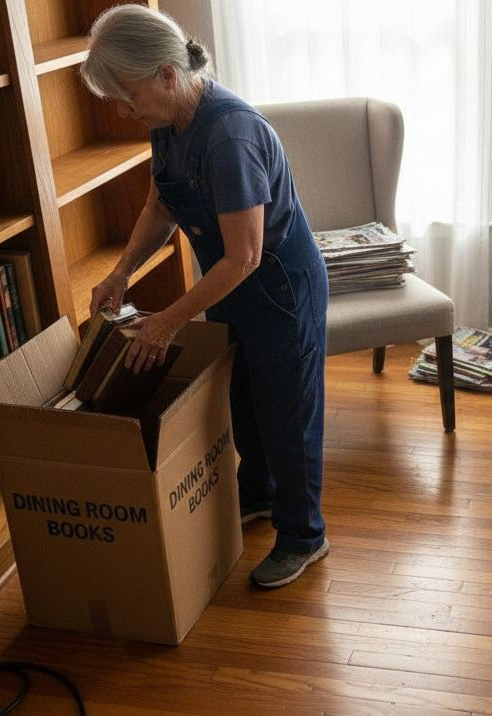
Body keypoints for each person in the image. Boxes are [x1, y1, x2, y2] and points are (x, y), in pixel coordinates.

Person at [81, 5, 329, 588]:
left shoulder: (231, 136)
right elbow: (161, 204)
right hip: (231, 284)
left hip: (277, 288)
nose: (123, 110)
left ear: (168, 74)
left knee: (286, 415)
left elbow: (244, 255)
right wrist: (122, 272)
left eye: (127, 95)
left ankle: (304, 536)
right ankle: (262, 496)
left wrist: (167, 320)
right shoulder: (167, 121)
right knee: (242, 400)